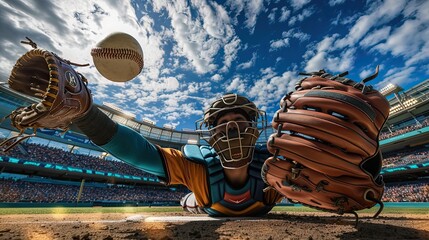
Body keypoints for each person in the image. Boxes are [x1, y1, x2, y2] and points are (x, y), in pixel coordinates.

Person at [74, 93, 284, 216]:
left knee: (195, 199)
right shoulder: (198, 164)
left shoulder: (277, 165)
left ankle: (193, 197)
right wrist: (86, 116)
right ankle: (191, 198)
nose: (231, 128)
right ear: (212, 134)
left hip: (209, 198)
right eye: (223, 124)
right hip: (206, 199)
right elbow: (141, 154)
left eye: (239, 120)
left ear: (253, 128)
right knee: (191, 202)